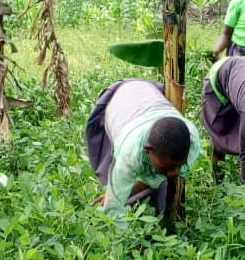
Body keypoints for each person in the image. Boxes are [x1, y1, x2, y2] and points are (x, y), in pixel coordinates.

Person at [86, 79, 201, 215]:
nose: (173, 173)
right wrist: (114, 195)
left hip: (148, 93)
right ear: (147, 150)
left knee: (156, 180)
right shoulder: (128, 152)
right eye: (167, 167)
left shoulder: (192, 141)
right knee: (118, 183)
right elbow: (113, 210)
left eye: (179, 166)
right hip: (119, 106)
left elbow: (159, 176)